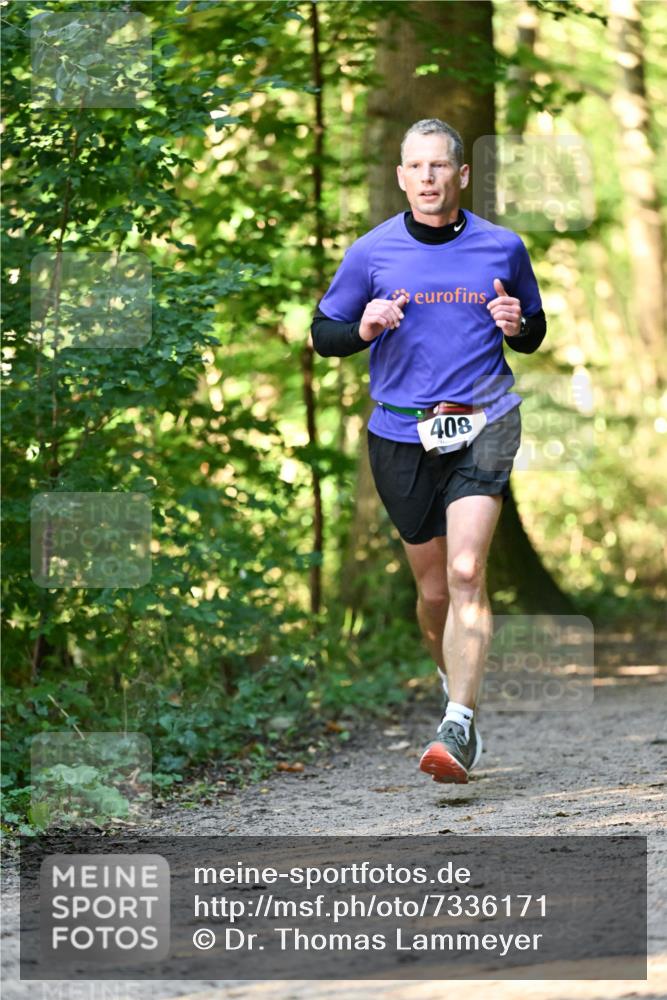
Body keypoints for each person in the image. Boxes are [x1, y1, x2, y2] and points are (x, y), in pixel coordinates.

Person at [311, 118, 546, 784]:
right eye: (415, 167)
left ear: (461, 174)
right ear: (400, 176)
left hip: (484, 421)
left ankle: (458, 724)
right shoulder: (371, 253)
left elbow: (532, 327)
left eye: (439, 166)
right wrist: (362, 325)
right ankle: (454, 676)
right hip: (399, 434)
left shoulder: (501, 247)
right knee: (435, 590)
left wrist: (517, 325)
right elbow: (324, 333)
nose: (427, 179)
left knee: (469, 570)